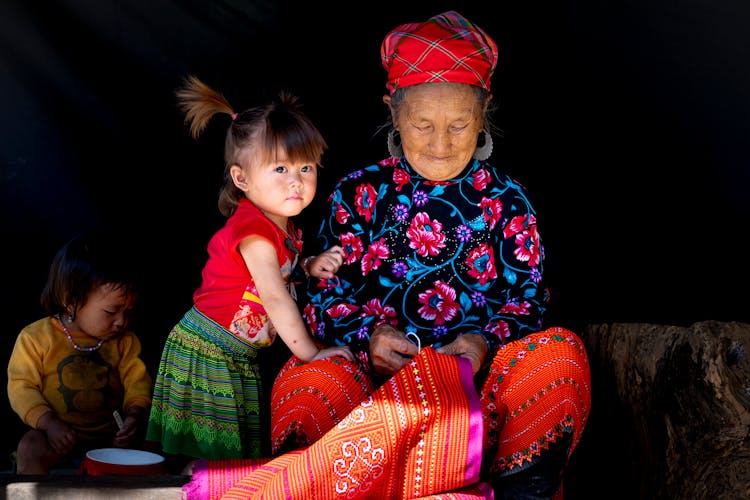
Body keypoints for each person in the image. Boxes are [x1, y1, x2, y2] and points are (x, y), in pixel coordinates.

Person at [181, 11, 592, 499]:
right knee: (310, 378)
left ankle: (516, 491)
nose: (441, 145)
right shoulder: (358, 194)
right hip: (373, 406)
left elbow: (527, 301)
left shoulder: (508, 202)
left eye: (459, 125)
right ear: (392, 112)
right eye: (422, 125)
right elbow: (321, 296)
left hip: (479, 404)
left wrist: (481, 343)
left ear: (484, 114)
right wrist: (369, 337)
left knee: (560, 354)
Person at [146, 75, 354, 463]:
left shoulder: (282, 225)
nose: (296, 182)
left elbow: (278, 271)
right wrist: (309, 353)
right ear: (241, 178)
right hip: (209, 354)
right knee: (213, 459)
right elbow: (273, 296)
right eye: (280, 170)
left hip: (236, 356)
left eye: (306, 168)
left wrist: (307, 265)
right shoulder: (254, 232)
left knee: (236, 457)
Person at [7, 229, 153, 475]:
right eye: (111, 312)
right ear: (71, 300)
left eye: (128, 312)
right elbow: (21, 388)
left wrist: (134, 417)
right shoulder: (35, 338)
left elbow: (137, 383)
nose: (121, 321)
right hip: (56, 439)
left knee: (153, 442)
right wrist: (49, 423)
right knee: (30, 447)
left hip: (111, 442)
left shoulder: (125, 342)